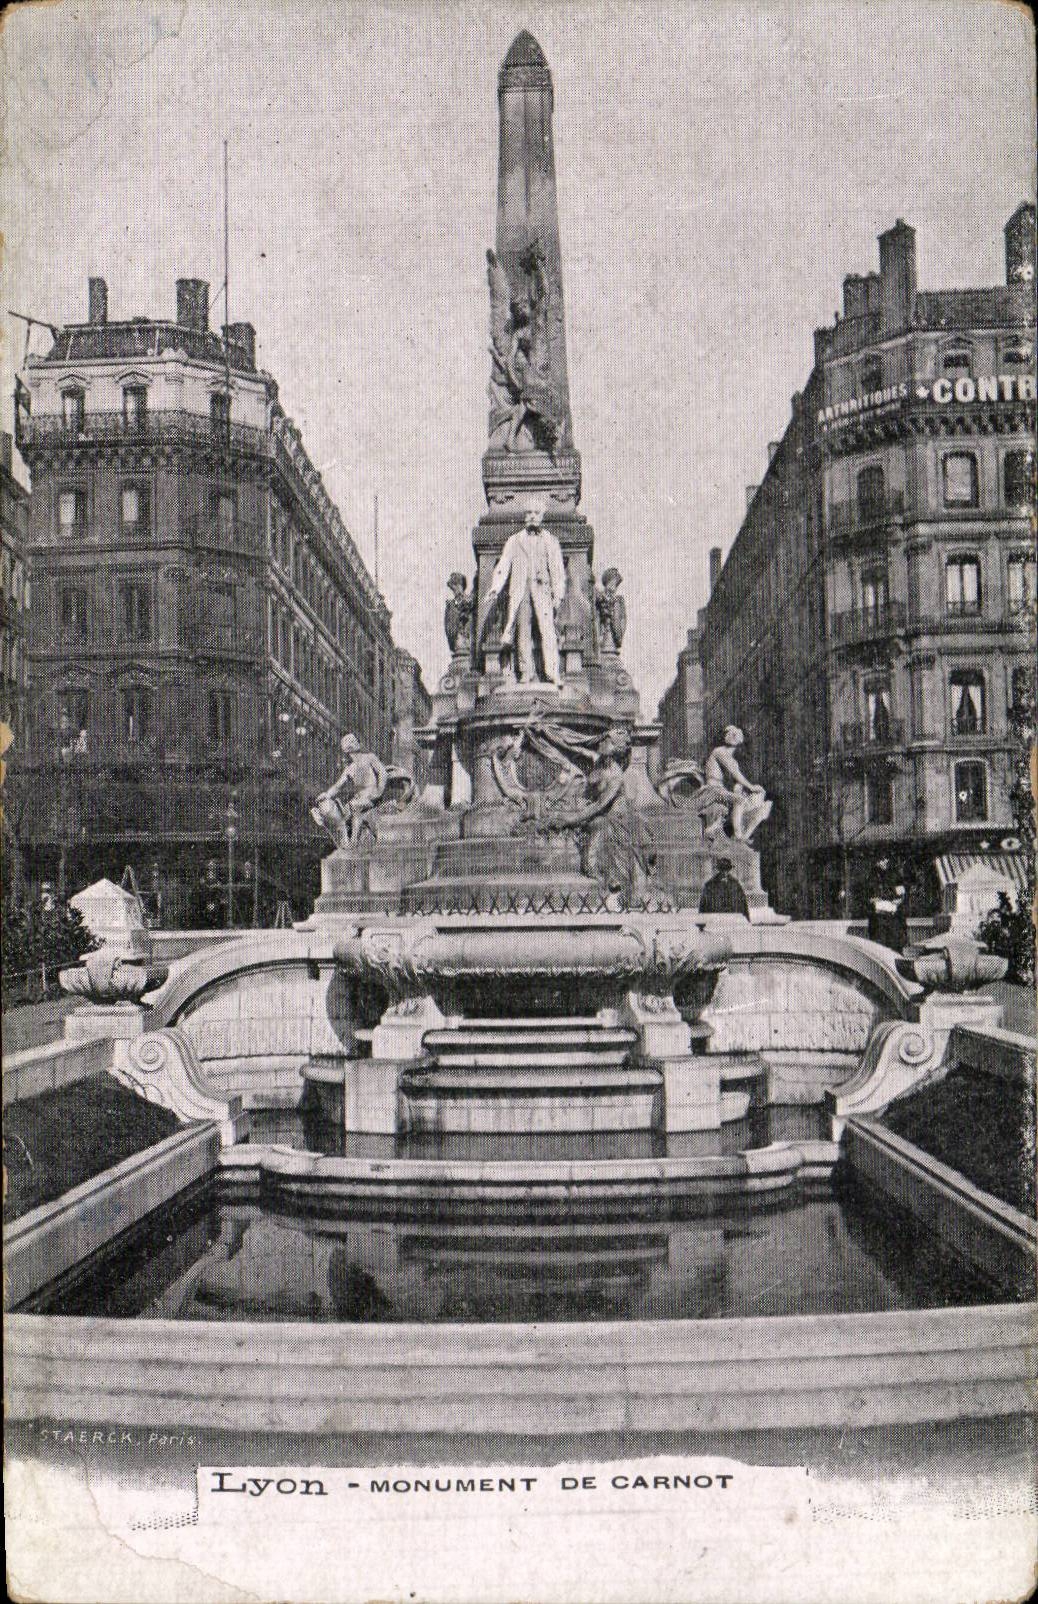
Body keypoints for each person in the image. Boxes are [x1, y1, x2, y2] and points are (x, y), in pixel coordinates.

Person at [482, 508, 567, 685]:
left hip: (542, 589)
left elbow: (557, 569)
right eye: (528, 513)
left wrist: (558, 594)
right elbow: (504, 564)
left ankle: (552, 671)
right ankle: (525, 671)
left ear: (542, 516)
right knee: (523, 630)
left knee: (548, 630)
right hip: (521, 590)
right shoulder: (515, 540)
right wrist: (495, 588)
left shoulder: (550, 540)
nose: (532, 516)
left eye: (536, 513)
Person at [311, 734, 388, 848]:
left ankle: (353, 842)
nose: (352, 753)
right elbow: (338, 786)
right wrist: (327, 794)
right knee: (344, 811)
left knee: (354, 806)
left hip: (372, 796)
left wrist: (379, 790)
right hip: (360, 798)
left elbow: (382, 773)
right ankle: (346, 839)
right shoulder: (350, 768)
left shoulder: (370, 758)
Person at [703, 725, 772, 842]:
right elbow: (735, 773)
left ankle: (741, 833)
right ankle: (738, 835)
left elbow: (736, 781)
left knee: (748, 799)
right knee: (739, 800)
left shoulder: (732, 759)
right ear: (724, 736)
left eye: (736, 733)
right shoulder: (719, 751)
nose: (733, 735)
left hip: (721, 790)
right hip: (713, 789)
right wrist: (751, 787)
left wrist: (742, 789)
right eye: (730, 733)